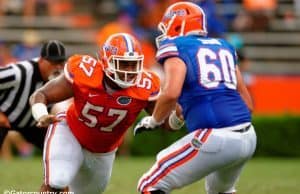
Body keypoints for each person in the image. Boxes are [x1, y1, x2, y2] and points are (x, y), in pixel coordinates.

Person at [29, 32, 181, 193]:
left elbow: (164, 122)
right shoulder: (85, 73)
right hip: (70, 132)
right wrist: (40, 113)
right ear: (106, 61)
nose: (129, 71)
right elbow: (41, 94)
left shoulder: (145, 86)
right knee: (57, 180)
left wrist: (179, 116)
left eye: (133, 64)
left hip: (103, 152)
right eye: (123, 64)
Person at [134, 2, 257, 194]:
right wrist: (182, 114)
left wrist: (154, 120)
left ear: (177, 25)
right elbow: (247, 103)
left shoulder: (176, 47)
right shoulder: (224, 46)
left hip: (215, 136)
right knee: (220, 190)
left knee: (149, 185)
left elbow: (171, 93)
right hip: (248, 137)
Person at [0, 40, 66, 151]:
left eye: (60, 62)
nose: (58, 67)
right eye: (53, 62)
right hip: (4, 118)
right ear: (41, 60)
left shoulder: (61, 78)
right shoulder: (19, 72)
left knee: (58, 148)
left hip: (32, 123)